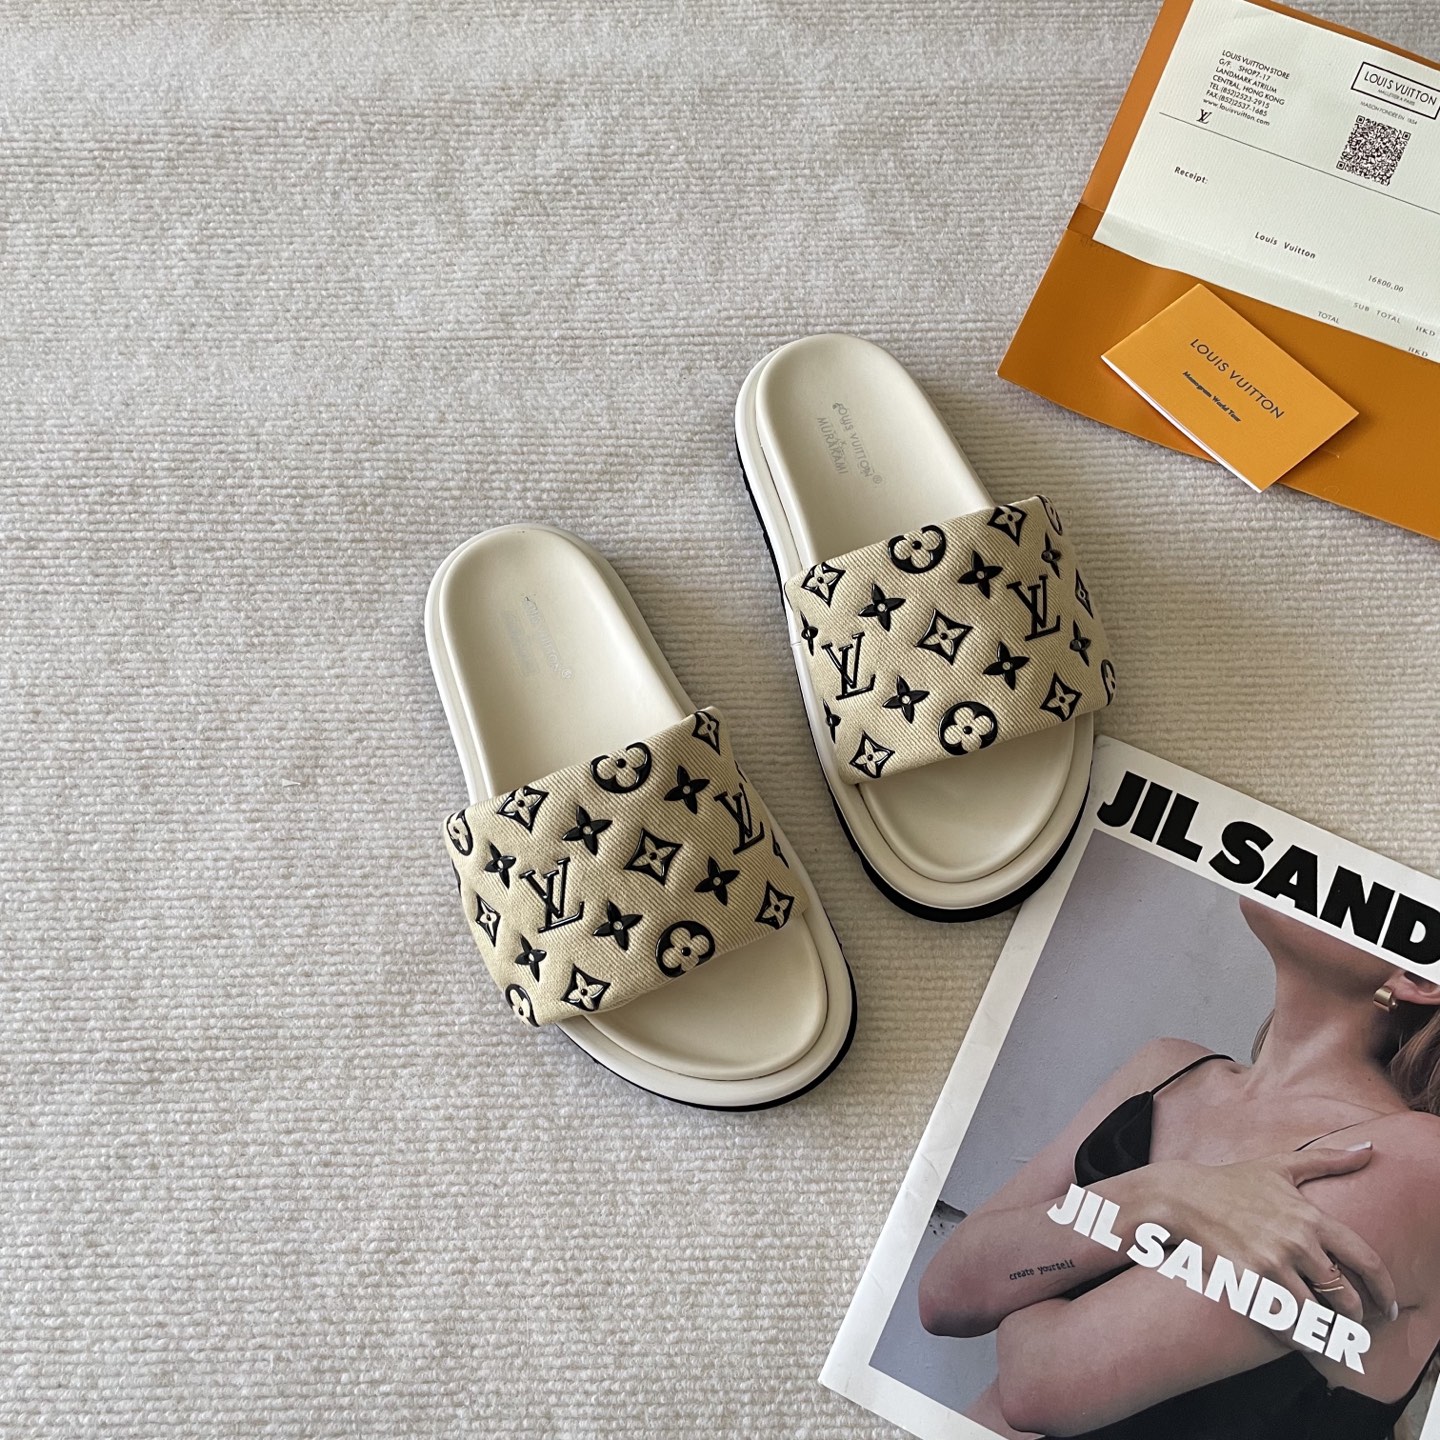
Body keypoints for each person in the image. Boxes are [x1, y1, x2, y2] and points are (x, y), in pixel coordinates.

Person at [919, 898, 1440, 1439]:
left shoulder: (1412, 1163)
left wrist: (1021, 1262)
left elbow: (1037, 1382)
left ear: (1419, 978)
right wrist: (1166, 1195)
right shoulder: (1170, 1068)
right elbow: (944, 1296)